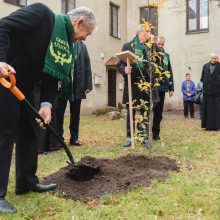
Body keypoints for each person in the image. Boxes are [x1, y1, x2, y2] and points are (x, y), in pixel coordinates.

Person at [0, 3, 96, 213]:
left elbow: (52, 74)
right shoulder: (41, 15)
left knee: (30, 131)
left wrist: (46, 104)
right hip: (6, 78)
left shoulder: (64, 44)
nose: (84, 39)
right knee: (4, 133)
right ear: (78, 22)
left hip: (29, 86)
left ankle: (26, 181)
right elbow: (3, 26)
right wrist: (1, 60)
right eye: (86, 33)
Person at [118, 26, 157, 148]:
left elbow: (155, 65)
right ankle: (130, 137)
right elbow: (120, 63)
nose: (148, 34)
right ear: (140, 33)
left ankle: (143, 138)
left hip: (145, 85)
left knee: (144, 112)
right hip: (132, 84)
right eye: (146, 31)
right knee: (131, 111)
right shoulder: (128, 46)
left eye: (149, 32)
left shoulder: (150, 48)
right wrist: (124, 69)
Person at [55, 41, 93, 146]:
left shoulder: (82, 46)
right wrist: (57, 81)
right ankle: (59, 139)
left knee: (75, 114)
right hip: (64, 84)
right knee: (59, 113)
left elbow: (87, 65)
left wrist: (89, 84)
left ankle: (74, 138)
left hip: (78, 84)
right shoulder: (63, 42)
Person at [152, 36, 174, 141]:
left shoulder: (166, 56)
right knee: (147, 110)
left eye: (162, 44)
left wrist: (171, 88)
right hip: (151, 87)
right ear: (155, 42)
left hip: (162, 88)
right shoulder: (150, 54)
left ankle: (156, 133)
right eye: (159, 44)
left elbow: (169, 72)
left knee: (158, 112)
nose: (160, 46)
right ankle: (143, 133)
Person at [201, 53, 220, 130]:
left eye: (215, 58)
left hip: (217, 91)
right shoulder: (205, 66)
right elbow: (202, 78)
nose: (213, 60)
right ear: (210, 58)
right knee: (207, 109)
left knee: (216, 109)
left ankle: (216, 126)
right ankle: (208, 126)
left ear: (217, 58)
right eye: (212, 58)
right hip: (207, 91)